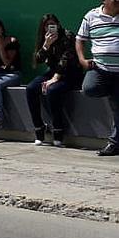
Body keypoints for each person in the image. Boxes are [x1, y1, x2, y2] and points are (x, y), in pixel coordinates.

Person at [77, 0, 119, 157]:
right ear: (104, 0)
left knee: (118, 108)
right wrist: (82, 60)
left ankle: (115, 143)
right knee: (89, 88)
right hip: (100, 69)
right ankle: (113, 92)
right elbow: (80, 40)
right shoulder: (91, 16)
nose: (118, 0)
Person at [27, 13, 80, 147]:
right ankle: (39, 128)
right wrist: (46, 45)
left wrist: (55, 78)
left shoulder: (68, 35)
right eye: (47, 25)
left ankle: (58, 131)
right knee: (31, 88)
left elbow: (66, 58)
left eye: (53, 24)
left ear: (58, 24)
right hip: (52, 72)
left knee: (52, 90)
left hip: (69, 73)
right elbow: (37, 60)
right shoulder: (46, 39)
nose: (50, 28)